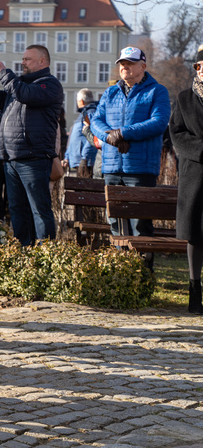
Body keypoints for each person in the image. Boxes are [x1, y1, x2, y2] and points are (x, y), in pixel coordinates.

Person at [0, 44, 64, 247]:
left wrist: (5, 73)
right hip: (11, 158)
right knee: (17, 209)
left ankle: (45, 254)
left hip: (34, 157)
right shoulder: (18, 86)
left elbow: (26, 95)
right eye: (23, 59)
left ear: (42, 61)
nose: (22, 62)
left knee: (39, 209)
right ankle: (23, 252)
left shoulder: (49, 85)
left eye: (27, 59)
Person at [91, 47, 170, 238]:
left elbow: (158, 122)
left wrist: (123, 133)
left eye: (130, 63)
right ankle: (121, 266)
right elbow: (95, 121)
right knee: (116, 225)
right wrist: (110, 137)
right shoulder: (110, 92)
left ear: (143, 66)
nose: (125, 67)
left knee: (140, 225)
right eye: (122, 64)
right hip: (111, 166)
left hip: (140, 169)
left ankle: (143, 267)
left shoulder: (157, 91)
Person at [169, 56, 203, 314]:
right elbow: (177, 134)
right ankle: (194, 290)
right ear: (198, 69)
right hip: (195, 173)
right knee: (195, 233)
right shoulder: (184, 98)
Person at [64, 89, 98, 178]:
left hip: (85, 162)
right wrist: (67, 157)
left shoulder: (90, 113)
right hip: (80, 161)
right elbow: (73, 137)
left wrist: (85, 157)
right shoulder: (83, 114)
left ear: (81, 101)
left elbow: (92, 136)